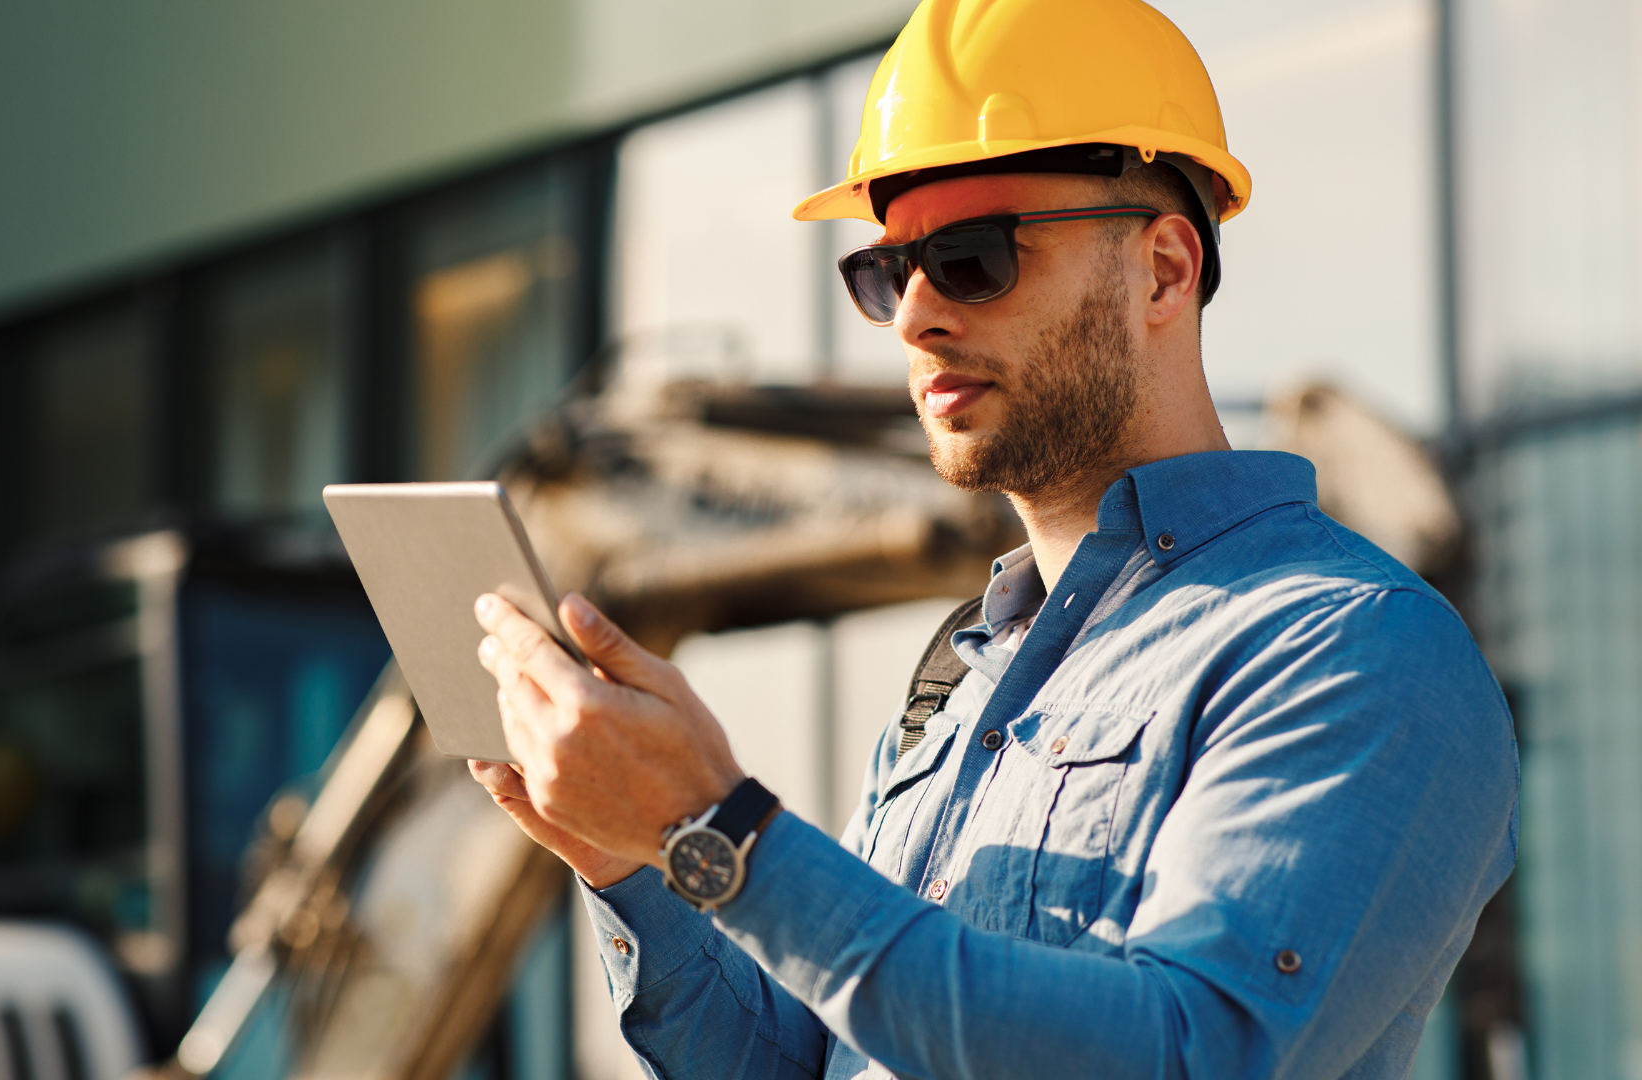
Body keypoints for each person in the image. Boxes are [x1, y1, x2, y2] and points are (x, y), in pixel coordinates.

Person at [467, 0, 1519, 1075]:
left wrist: (721, 831)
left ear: (1163, 269)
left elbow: (1185, 1055)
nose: (916, 315)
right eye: (887, 272)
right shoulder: (961, 681)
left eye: (972, 259)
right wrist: (640, 859)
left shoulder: (1351, 649)